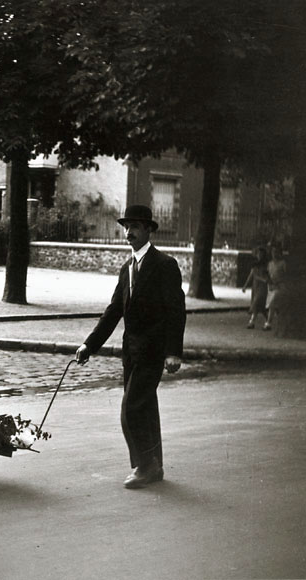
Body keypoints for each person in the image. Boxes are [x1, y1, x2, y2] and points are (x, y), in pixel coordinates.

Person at [75, 205, 186, 489]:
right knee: (145, 407)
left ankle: (143, 465)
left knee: (131, 408)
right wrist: (90, 344)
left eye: (135, 226)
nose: (129, 232)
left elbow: (176, 310)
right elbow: (114, 311)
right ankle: (155, 465)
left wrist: (173, 351)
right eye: (126, 226)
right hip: (131, 352)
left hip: (153, 351)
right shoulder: (127, 269)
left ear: (149, 230)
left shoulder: (164, 265)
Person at [242, 246, 269, 329]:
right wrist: (245, 286)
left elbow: (268, 276)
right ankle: (268, 320)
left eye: (262, 254)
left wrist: (265, 280)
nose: (260, 256)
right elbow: (251, 275)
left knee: (257, 301)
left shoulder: (266, 265)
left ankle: (252, 321)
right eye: (259, 254)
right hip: (255, 285)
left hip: (263, 286)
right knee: (260, 305)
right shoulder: (255, 264)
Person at [265, 245, 287, 331]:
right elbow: (268, 274)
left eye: (276, 252)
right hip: (271, 286)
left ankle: (268, 323)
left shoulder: (283, 263)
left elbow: (286, 275)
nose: (274, 254)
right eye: (273, 252)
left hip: (280, 286)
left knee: (272, 304)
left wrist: (280, 282)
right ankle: (281, 321)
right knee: (275, 306)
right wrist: (269, 282)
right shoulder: (270, 263)